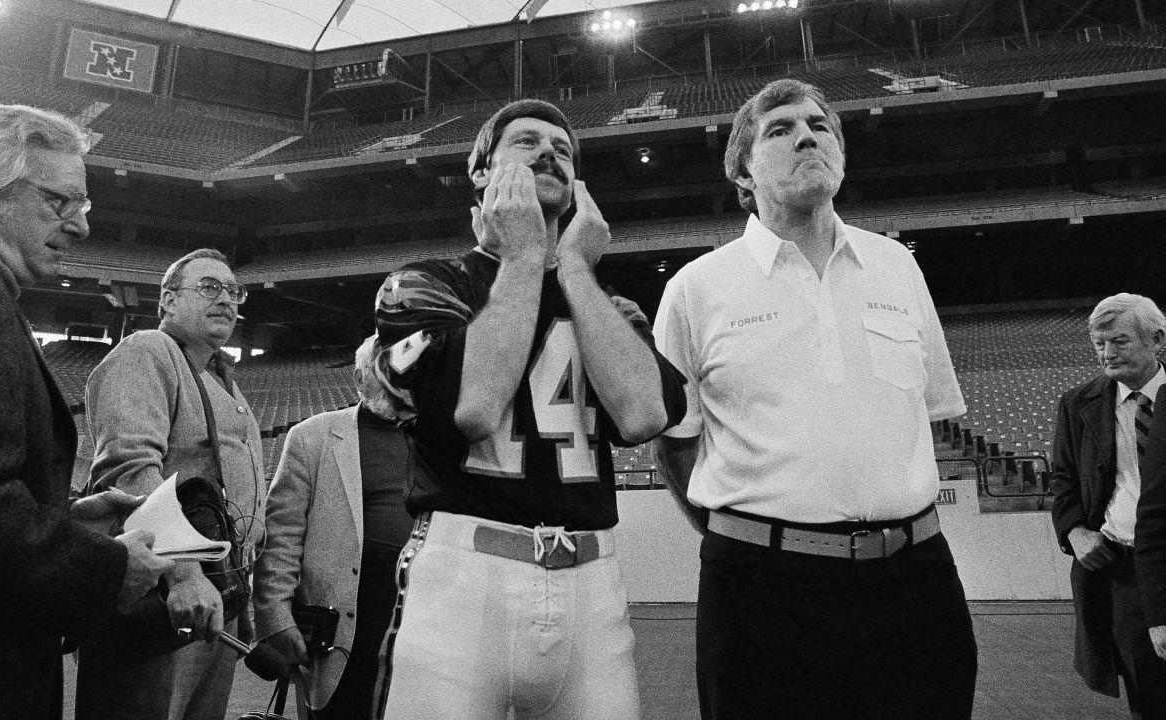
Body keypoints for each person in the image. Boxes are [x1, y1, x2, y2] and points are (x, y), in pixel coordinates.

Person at [653, 78, 977, 720]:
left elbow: (926, 413)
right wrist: (757, 535)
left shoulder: (896, 267)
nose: (806, 134)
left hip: (916, 578)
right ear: (742, 172)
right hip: (761, 588)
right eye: (779, 130)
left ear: (841, 154)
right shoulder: (697, 288)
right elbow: (675, 441)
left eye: (819, 126)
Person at [370, 98, 687, 720]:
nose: (549, 152)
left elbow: (645, 414)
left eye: (563, 149)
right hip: (466, 575)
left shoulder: (608, 305)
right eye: (525, 142)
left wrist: (570, 265)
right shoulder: (425, 282)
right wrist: (520, 257)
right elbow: (475, 407)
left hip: (593, 577)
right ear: (481, 175)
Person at [0, 104, 172, 720]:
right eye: (58, 201)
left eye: (84, 206)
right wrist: (108, 567)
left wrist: (63, 516)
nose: (80, 226)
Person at [76, 248, 267, 720]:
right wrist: (184, 574)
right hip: (165, 597)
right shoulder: (147, 350)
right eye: (208, 287)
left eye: (233, 290)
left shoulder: (222, 376)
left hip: (213, 600)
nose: (225, 298)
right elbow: (131, 468)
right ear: (167, 301)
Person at [254, 335, 414, 719]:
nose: (396, 377)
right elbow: (282, 536)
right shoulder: (312, 437)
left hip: (422, 613)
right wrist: (275, 615)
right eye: (383, 367)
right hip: (345, 618)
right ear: (359, 379)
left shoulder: (441, 439)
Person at [1052, 293, 1166, 719]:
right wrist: (1075, 531)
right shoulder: (1078, 404)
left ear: (1156, 340)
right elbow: (1063, 480)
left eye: (1119, 341)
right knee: (1149, 693)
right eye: (1099, 344)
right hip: (1124, 570)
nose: (1106, 353)